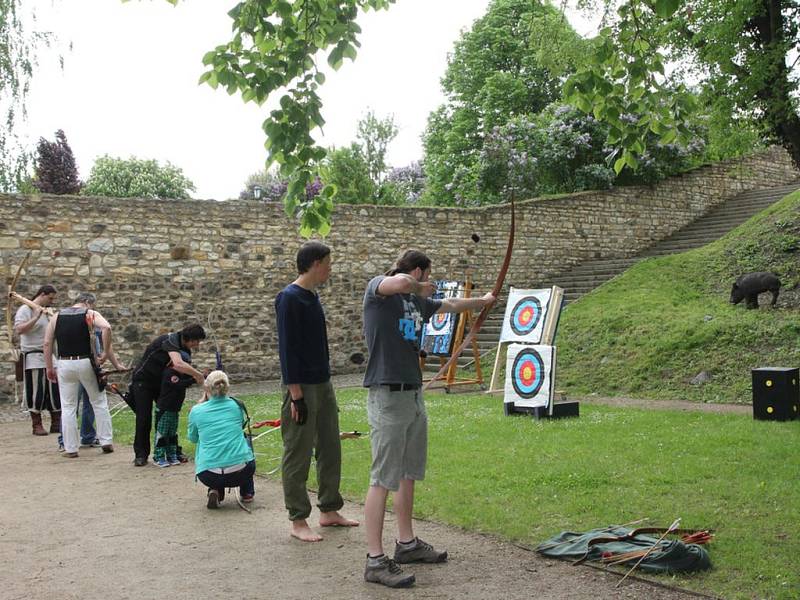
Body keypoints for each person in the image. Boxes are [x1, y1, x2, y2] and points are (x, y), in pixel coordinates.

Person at [361, 250, 495, 588]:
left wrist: (484, 300)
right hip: (387, 394)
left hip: (413, 394)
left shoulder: (418, 302)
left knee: (408, 473)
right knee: (382, 478)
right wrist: (417, 286)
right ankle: (375, 560)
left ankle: (406, 544)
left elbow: (450, 307)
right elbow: (400, 281)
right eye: (425, 275)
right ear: (419, 271)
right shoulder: (380, 292)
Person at [275, 241, 359, 542]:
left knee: (330, 448)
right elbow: (287, 350)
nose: (330, 268)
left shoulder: (313, 296)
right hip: (302, 388)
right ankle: (298, 519)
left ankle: (329, 510)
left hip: (323, 384)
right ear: (314, 263)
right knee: (298, 452)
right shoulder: (289, 298)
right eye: (327, 262)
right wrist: (296, 395)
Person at [43, 292, 126, 458]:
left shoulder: (57, 316)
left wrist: (49, 367)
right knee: (99, 401)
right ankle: (106, 441)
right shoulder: (90, 314)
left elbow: (47, 343)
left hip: (64, 362)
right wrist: (103, 353)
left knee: (68, 407)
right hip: (85, 361)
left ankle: (71, 448)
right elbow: (107, 328)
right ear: (88, 302)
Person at [129, 324, 206, 466]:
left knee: (168, 416)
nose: (197, 345)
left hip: (161, 383)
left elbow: (181, 372)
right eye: (197, 341)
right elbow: (178, 364)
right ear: (191, 339)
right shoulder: (170, 340)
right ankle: (141, 455)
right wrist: (198, 375)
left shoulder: (185, 349)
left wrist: (191, 379)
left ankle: (172, 451)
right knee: (144, 418)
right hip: (143, 381)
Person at [187, 370, 255, 508]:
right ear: (227, 386)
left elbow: (193, 438)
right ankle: (247, 491)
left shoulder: (196, 411)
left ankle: (215, 489)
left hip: (208, 474)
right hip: (241, 472)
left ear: (207, 388)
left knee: (207, 445)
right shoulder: (237, 405)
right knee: (245, 441)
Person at [14, 285, 61, 437]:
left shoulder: (48, 312)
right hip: (33, 355)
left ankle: (56, 422)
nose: (52, 301)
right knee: (36, 390)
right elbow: (20, 329)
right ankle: (37, 424)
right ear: (42, 294)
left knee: (55, 390)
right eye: (50, 298)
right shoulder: (25, 310)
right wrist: (35, 316)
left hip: (50, 355)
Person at [152, 350, 196, 468]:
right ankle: (159, 456)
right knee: (162, 433)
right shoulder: (169, 373)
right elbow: (179, 384)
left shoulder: (180, 374)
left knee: (172, 433)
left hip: (174, 409)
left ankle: (172, 454)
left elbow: (186, 379)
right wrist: (194, 379)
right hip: (165, 409)